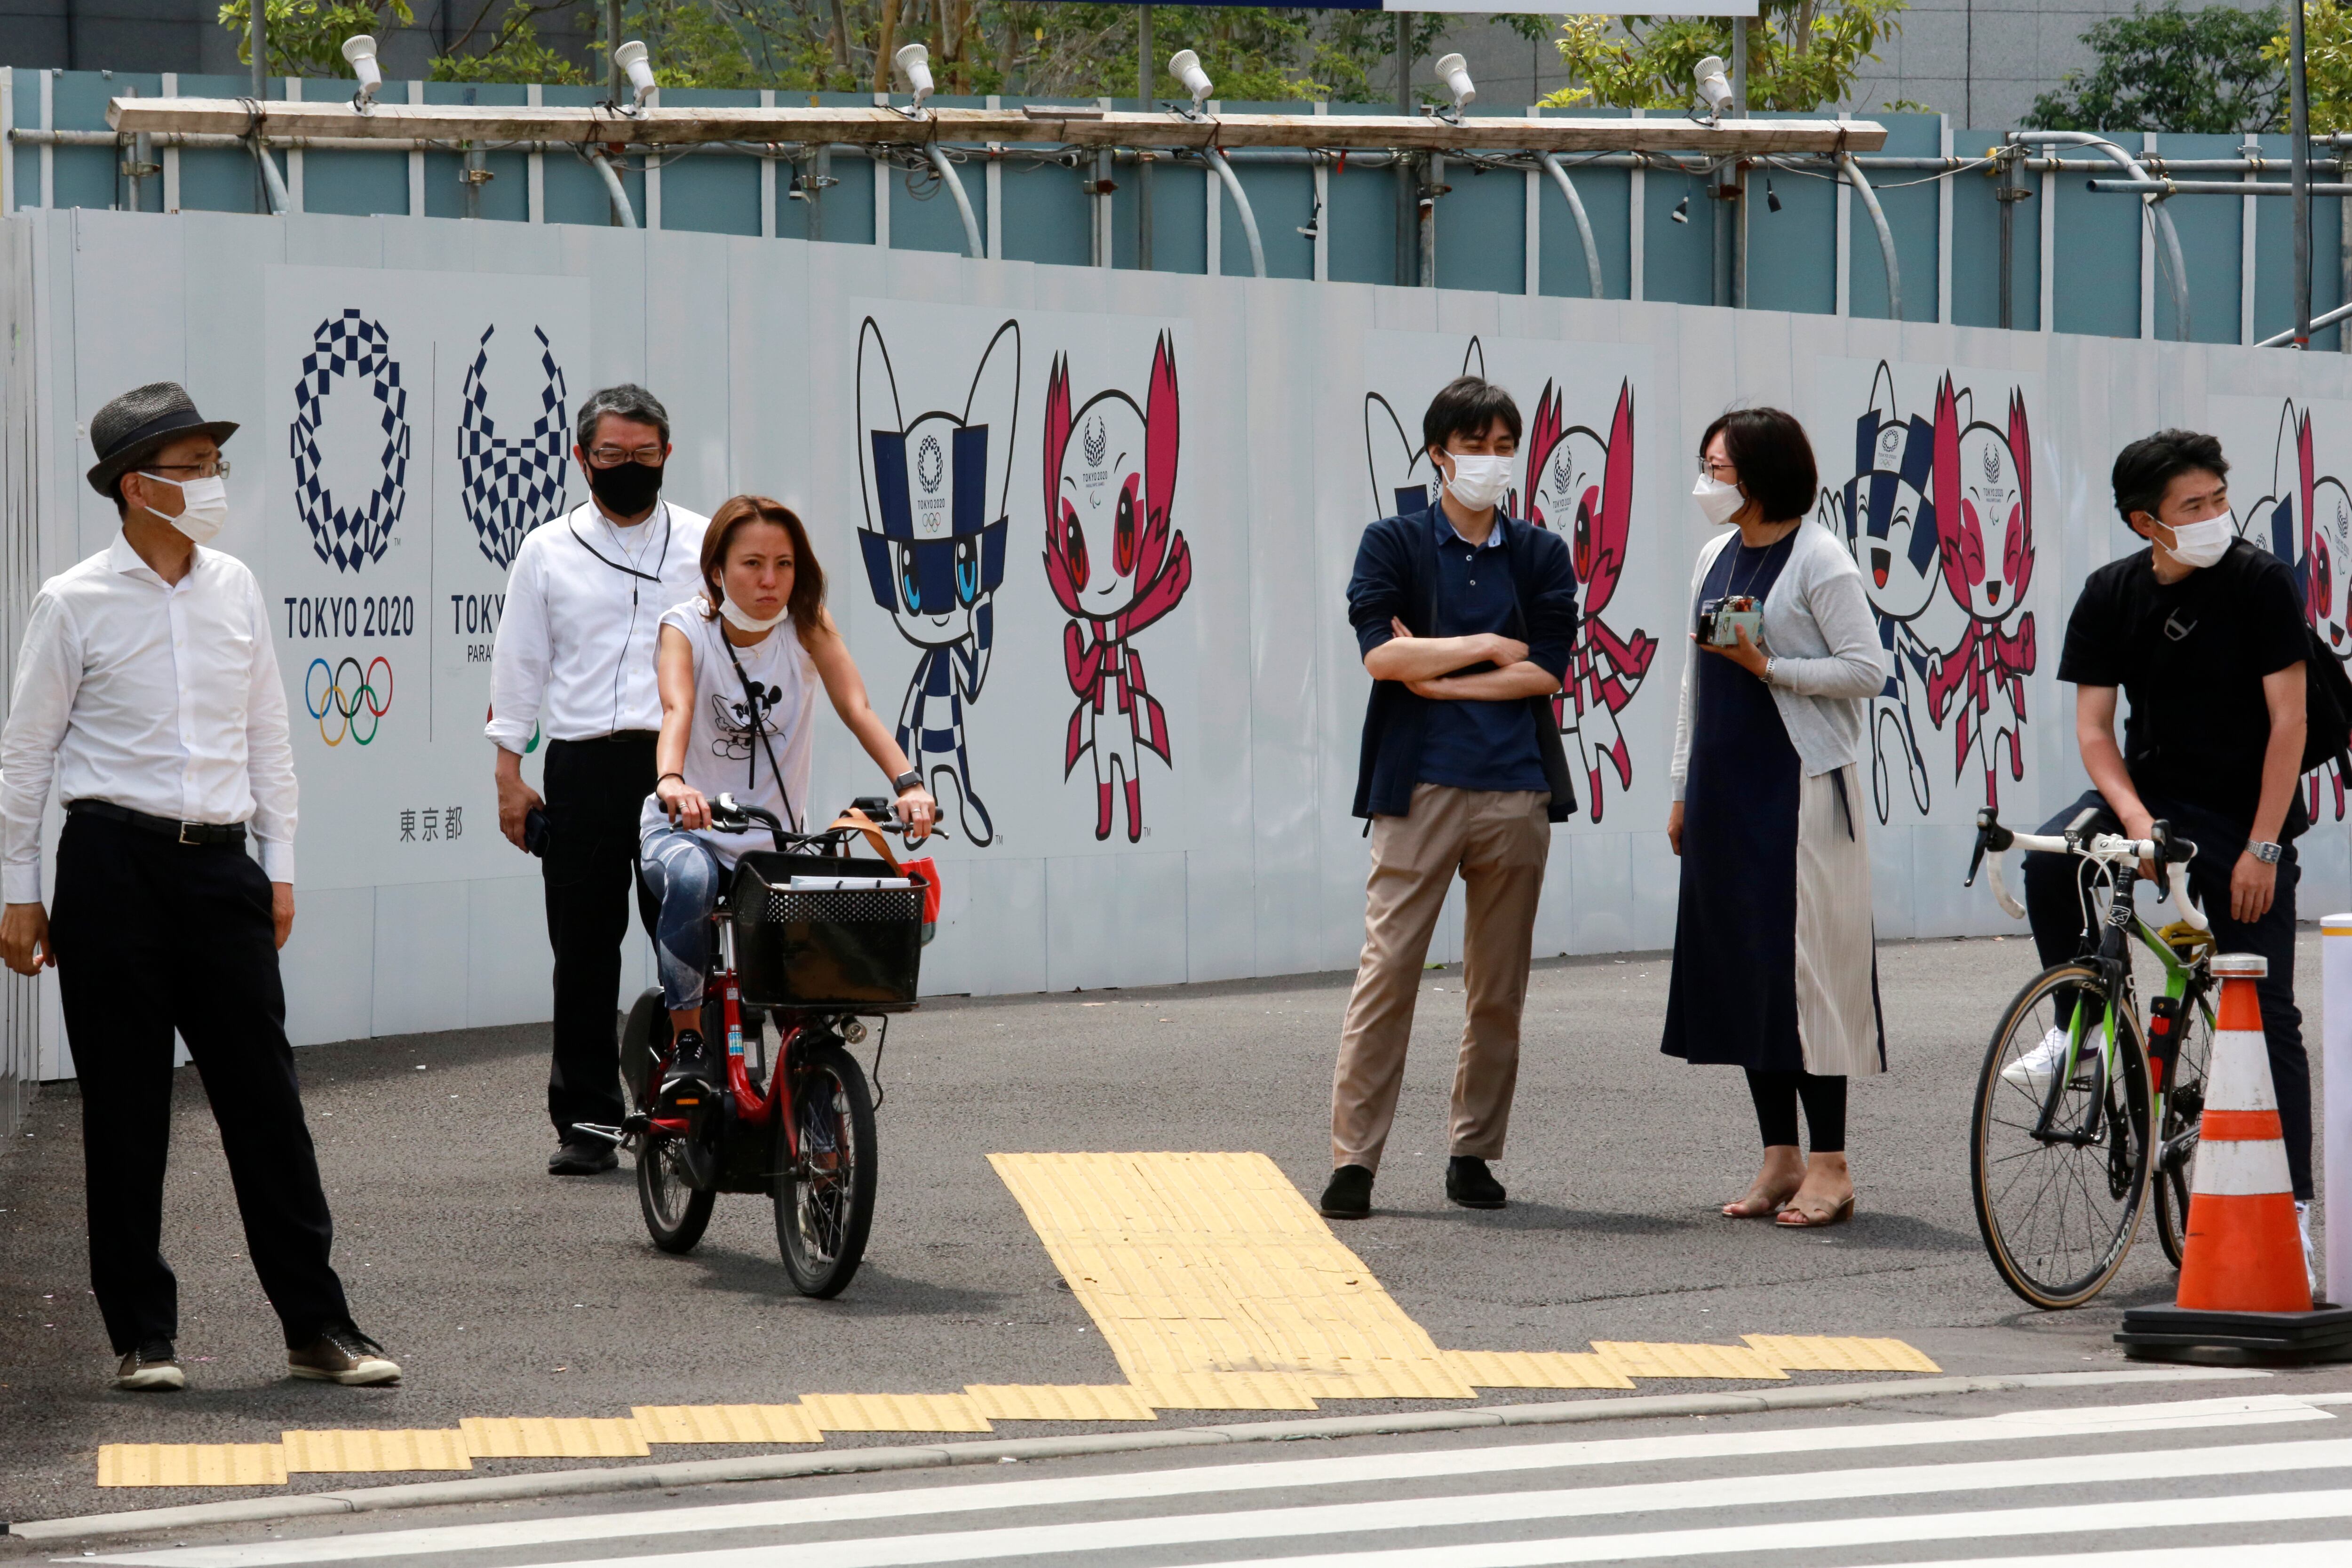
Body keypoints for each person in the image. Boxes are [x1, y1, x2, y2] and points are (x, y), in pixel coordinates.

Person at [0, 382, 398, 1391]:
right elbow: (26, 756)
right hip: (110, 864)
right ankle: (144, 1334)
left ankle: (319, 1324)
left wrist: (282, 863)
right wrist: (19, 889)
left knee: (266, 1101)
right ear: (136, 486)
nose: (212, 481)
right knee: (126, 1108)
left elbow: (270, 731)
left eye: (213, 463)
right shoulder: (72, 600)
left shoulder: (237, 588)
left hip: (223, 865)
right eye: (191, 467)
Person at [2021, 429, 2314, 1278]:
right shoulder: (2109, 593)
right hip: (2146, 794)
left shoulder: (2259, 581)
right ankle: (2078, 1026)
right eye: (2195, 506)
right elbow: (2093, 730)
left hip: (2242, 810)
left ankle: (2290, 1210)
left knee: (2270, 1012)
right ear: (2146, 522)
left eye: (2220, 498)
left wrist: (2264, 844)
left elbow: (2289, 723)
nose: (2216, 515)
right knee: (2052, 857)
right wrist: (2137, 819)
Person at [1322, 375, 1580, 1220]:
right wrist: (1484, 647)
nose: (1491, 462)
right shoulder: (1393, 541)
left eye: (1506, 446)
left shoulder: (1541, 552)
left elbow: (1547, 668)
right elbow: (1380, 659)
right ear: (1438, 451)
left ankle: (1474, 1150)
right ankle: (1354, 1161)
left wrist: (1441, 675)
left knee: (1497, 985)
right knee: (1387, 971)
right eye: (1475, 445)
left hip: (1515, 789)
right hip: (1417, 787)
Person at [1663, 407, 1886, 1228]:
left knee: (1811, 974)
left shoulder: (1820, 557)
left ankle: (1831, 1160)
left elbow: (1867, 669)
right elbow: (1693, 682)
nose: (1708, 481)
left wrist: (1770, 667)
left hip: (1798, 785)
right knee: (1748, 971)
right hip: (1726, 785)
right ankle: (1779, 1155)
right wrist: (1683, 787)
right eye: (1706, 463)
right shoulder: (1715, 555)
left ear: (1760, 474)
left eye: (1719, 468)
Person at [488, 385, 709, 1176]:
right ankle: (588, 1120)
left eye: (643, 454)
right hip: (582, 763)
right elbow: (519, 664)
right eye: (611, 454)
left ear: (667, 454)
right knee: (583, 949)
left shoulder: (705, 542)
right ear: (581, 458)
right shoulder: (547, 548)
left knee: (688, 943)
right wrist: (510, 774)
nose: (627, 467)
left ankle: (695, 1108)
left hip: (679, 767)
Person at [639, 496, 935, 1087]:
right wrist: (671, 781)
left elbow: (858, 708)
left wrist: (909, 783)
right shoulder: (685, 628)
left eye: (784, 563)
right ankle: (689, 1040)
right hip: (685, 831)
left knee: (807, 983)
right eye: (751, 564)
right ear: (716, 569)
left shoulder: (807, 625)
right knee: (694, 881)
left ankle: (813, 1098)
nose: (769, 580)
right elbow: (677, 707)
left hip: (770, 843)